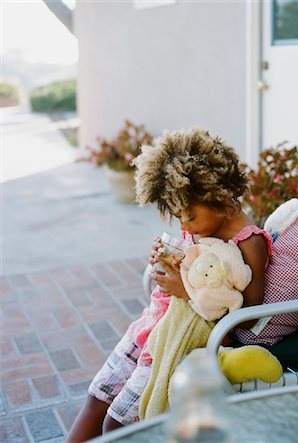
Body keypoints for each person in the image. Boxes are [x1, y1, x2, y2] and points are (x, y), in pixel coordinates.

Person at [66, 128, 272, 442]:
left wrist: (184, 289)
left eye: (188, 216)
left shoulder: (249, 242)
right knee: (98, 396)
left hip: (180, 343)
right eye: (177, 216)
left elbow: (250, 315)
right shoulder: (201, 225)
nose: (184, 226)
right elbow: (192, 270)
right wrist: (167, 265)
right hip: (151, 326)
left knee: (116, 427)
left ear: (217, 197)